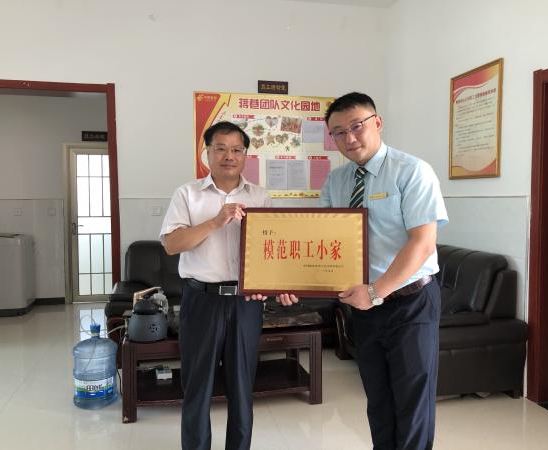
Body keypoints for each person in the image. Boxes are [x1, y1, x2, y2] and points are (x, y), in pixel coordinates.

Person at [279, 92, 448, 449]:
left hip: (410, 302)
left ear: (377, 122)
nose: (350, 138)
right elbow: (322, 241)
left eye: (357, 126)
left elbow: (422, 243)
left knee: (412, 402)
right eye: (339, 132)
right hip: (363, 307)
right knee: (379, 400)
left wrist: (376, 291)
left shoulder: (412, 171)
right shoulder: (336, 181)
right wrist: (291, 280)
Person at [160, 121, 294, 450]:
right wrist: (216, 221)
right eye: (220, 148)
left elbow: (271, 250)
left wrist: (281, 283)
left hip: (246, 302)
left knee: (242, 387)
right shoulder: (187, 194)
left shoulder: (260, 196)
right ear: (207, 153)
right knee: (197, 387)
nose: (228, 156)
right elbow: (172, 244)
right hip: (201, 300)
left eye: (236, 149)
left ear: (245, 155)